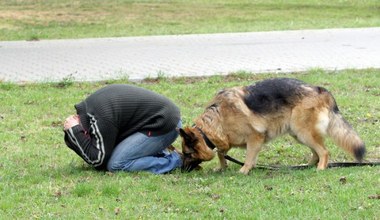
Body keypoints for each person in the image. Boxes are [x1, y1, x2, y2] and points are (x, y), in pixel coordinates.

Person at [63, 84, 182, 174]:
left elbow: (98, 160)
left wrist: (75, 131)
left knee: (116, 164)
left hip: (164, 124)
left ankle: (179, 161)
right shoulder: (88, 110)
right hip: (157, 119)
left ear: (84, 131)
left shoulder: (100, 120)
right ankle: (154, 153)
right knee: (117, 155)